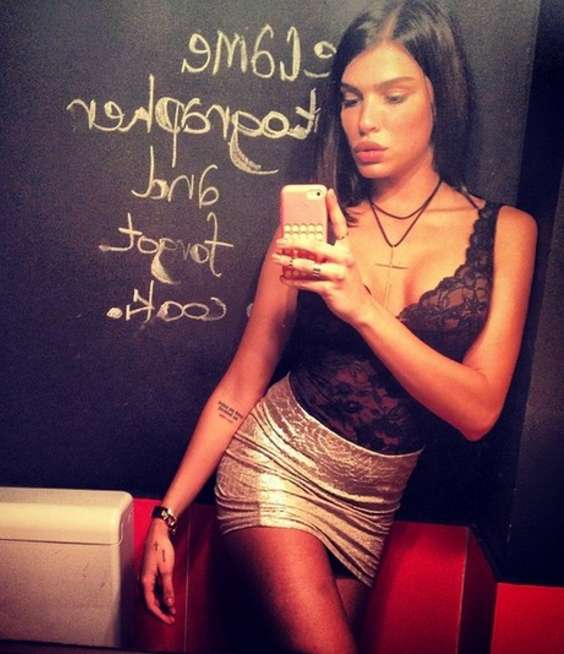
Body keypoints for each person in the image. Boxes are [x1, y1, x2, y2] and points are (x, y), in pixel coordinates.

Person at [140, 1, 537, 652]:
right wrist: (168, 513)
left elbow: (478, 411)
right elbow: (241, 384)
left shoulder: (508, 233)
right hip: (276, 467)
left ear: (441, 98)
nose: (365, 121)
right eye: (351, 100)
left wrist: (364, 308)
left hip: (371, 506)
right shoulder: (312, 233)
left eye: (393, 96)